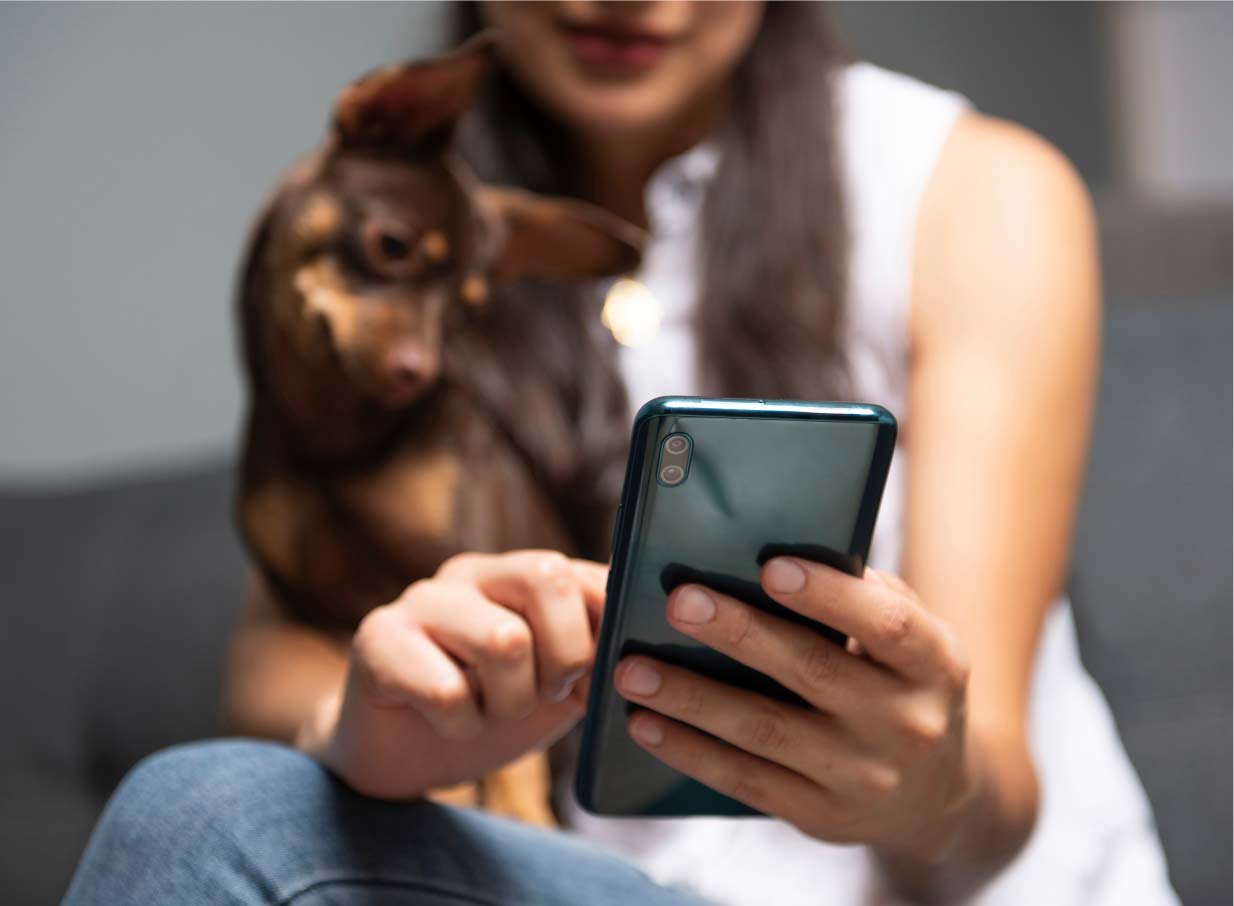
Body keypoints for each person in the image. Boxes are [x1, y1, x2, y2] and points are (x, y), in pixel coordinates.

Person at [65, 3, 1178, 904]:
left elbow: (993, 812)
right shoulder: (374, 229)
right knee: (208, 806)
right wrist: (369, 728)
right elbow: (277, 646)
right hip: (560, 878)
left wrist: (929, 790)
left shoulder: (968, 193)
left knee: (201, 817)